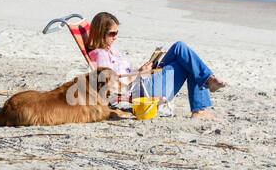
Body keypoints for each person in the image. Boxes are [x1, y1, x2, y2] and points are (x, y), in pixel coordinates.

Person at [84, 11, 226, 120]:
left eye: (116, 33)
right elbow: (113, 86)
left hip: (142, 81)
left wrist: (141, 70)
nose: (115, 37)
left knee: (179, 47)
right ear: (101, 33)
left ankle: (206, 89)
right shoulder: (100, 54)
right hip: (140, 91)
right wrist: (139, 74)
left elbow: (123, 73)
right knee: (187, 63)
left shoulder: (111, 49)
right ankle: (201, 103)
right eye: (112, 34)